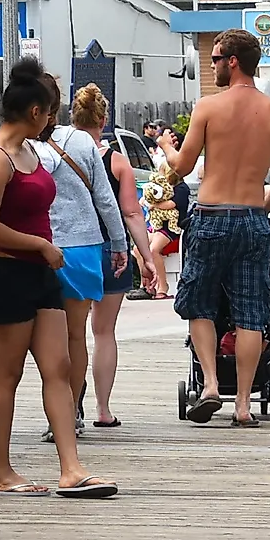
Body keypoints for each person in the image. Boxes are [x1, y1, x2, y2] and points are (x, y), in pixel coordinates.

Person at [0, 58, 114, 496]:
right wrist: (40, 246)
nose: (53, 120)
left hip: (42, 273)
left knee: (59, 365)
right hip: (6, 275)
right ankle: (1, 471)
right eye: (50, 112)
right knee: (7, 374)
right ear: (35, 112)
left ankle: (71, 467)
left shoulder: (33, 151)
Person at [164, 31, 270, 426]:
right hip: (252, 219)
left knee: (199, 303)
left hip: (210, 217)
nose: (212, 65)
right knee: (251, 314)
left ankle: (208, 384)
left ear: (233, 61)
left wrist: (167, 148)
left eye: (216, 58)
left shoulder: (208, 107)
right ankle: (242, 404)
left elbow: (182, 167)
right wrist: (259, 210)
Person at [41, 80, 126, 441]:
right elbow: (106, 199)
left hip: (38, 246)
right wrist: (119, 243)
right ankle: (72, 409)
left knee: (46, 340)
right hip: (84, 247)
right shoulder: (82, 143)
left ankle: (56, 412)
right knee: (77, 336)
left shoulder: (19, 144)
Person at [85, 88, 150, 425]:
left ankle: (69, 406)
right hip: (112, 249)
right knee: (104, 332)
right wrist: (147, 256)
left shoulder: (56, 154)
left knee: (69, 333)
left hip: (72, 250)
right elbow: (131, 212)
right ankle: (103, 409)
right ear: (104, 120)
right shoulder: (117, 161)